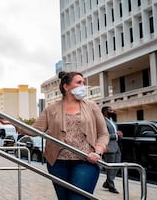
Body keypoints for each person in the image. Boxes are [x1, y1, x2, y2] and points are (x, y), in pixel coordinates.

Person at [30, 71, 109, 200]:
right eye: (79, 82)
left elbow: (103, 134)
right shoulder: (51, 109)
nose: (83, 86)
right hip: (58, 163)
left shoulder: (92, 106)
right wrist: (10, 122)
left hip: (85, 161)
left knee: (78, 198)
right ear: (66, 87)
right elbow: (34, 130)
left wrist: (98, 152)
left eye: (83, 83)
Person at [101, 106, 123, 194]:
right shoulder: (102, 121)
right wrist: (116, 135)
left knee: (117, 165)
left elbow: (115, 133)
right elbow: (103, 135)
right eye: (110, 110)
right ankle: (111, 185)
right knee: (111, 167)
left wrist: (119, 134)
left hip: (116, 146)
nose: (112, 111)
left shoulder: (112, 122)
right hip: (109, 146)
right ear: (105, 112)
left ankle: (107, 182)